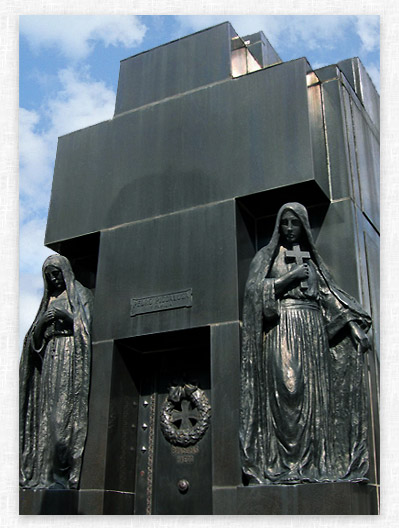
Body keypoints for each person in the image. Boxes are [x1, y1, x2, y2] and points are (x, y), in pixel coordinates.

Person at [240, 202, 371, 485]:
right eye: (284, 223)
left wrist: (351, 326)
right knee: (289, 391)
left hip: (311, 331)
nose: (289, 229)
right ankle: (286, 465)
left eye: (294, 223)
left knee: (314, 398)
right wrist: (290, 278)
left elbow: (328, 297)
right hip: (282, 327)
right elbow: (253, 292)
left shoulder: (311, 260)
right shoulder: (267, 256)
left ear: (303, 226)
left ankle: (312, 466)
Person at [19, 254, 93, 489]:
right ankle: (44, 475)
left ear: (66, 273)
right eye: (49, 276)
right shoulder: (48, 300)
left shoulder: (80, 294)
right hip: (49, 360)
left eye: (57, 274)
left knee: (61, 420)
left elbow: (86, 326)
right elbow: (34, 341)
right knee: (46, 419)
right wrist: (41, 325)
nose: (53, 279)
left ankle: (62, 474)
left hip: (70, 356)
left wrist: (66, 316)